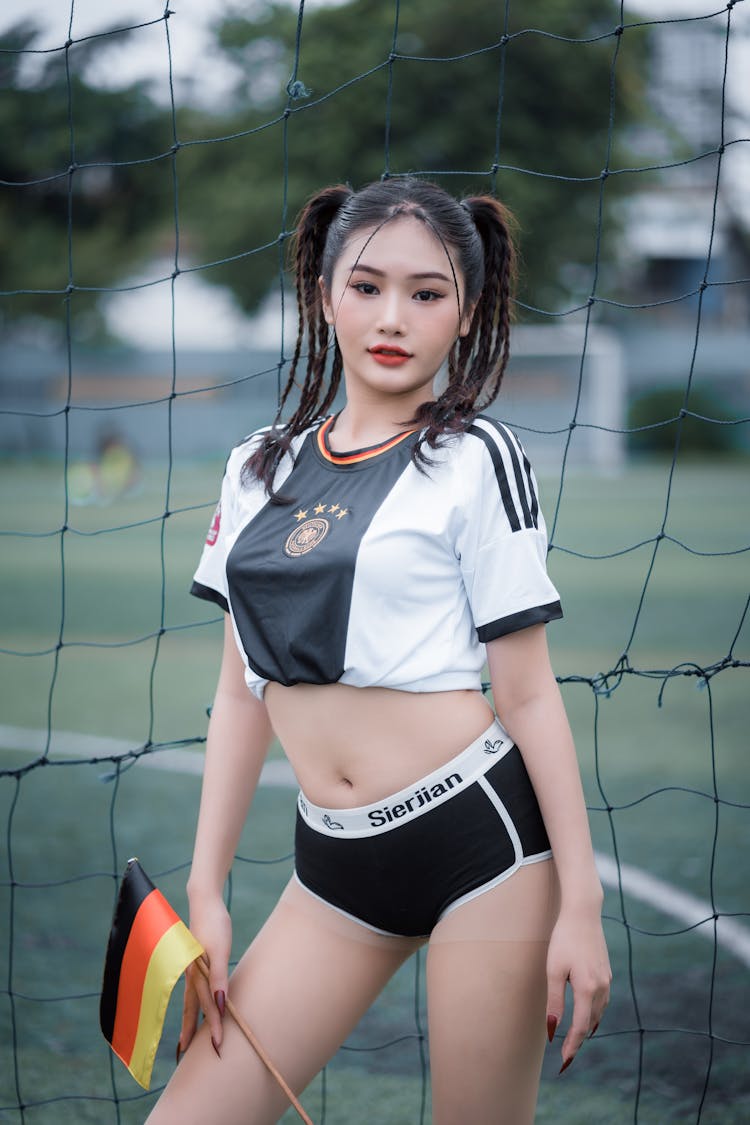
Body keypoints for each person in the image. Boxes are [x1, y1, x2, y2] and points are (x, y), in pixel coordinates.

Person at [146, 178, 611, 1125]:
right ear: (325, 296)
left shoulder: (477, 458)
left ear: (466, 311)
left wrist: (583, 903)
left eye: (427, 293)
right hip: (333, 870)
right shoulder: (256, 464)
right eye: (367, 287)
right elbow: (241, 693)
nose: (393, 317)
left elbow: (527, 696)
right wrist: (208, 887)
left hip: (482, 848)